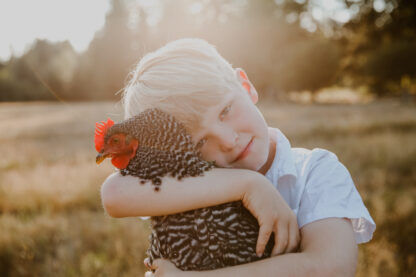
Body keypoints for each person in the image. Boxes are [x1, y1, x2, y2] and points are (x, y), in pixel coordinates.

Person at [100, 38, 375, 277]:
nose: (229, 140)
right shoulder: (188, 180)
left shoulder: (315, 171)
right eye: (200, 142)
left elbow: (331, 270)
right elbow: (113, 193)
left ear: (245, 86)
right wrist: (249, 185)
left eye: (225, 110)